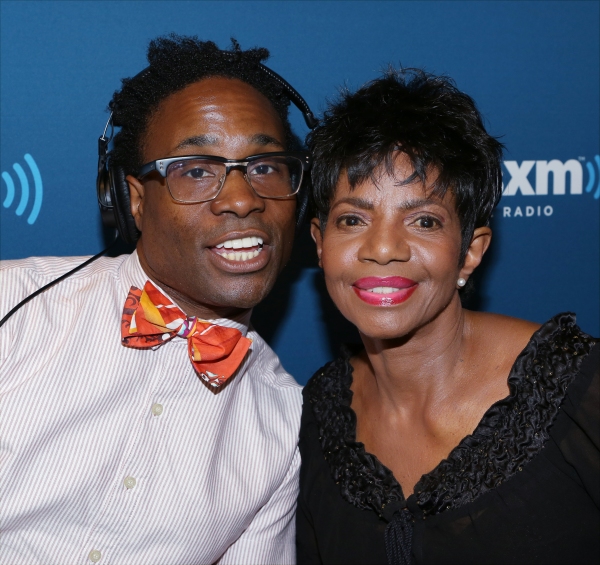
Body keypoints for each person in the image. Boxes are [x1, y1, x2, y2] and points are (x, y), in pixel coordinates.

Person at [0, 35, 312, 565]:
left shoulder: (281, 420)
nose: (242, 199)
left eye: (264, 167)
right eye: (195, 170)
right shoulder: (12, 305)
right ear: (132, 201)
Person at [296, 69, 599, 564]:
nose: (384, 248)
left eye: (424, 221)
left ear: (470, 252)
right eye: (353, 219)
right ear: (320, 244)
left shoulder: (572, 388)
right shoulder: (319, 416)